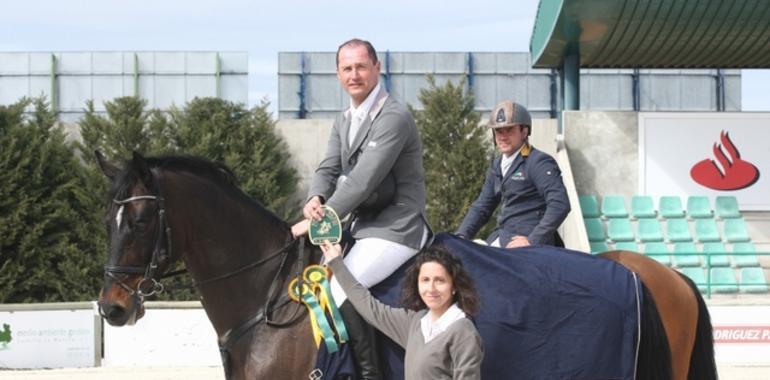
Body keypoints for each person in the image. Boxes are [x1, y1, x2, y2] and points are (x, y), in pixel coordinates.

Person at [291, 38, 429, 379]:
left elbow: (362, 181)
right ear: (338, 74)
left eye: (361, 67)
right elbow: (327, 168)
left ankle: (371, 375)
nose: (355, 75)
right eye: (347, 68)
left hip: (397, 226)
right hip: (363, 225)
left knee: (339, 287)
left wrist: (315, 221)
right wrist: (314, 199)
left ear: (377, 69)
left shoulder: (393, 116)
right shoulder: (344, 119)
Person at [321, 242, 484, 380]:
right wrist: (336, 263)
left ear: (454, 286)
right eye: (425, 280)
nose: (431, 289)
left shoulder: (463, 332)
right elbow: (370, 308)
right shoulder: (415, 322)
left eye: (440, 281)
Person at [456, 101, 570, 248]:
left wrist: (532, 240)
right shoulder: (496, 165)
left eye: (509, 130)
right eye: (498, 131)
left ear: (524, 131)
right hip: (501, 237)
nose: (503, 137)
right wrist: (461, 236)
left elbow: (560, 204)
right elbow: (482, 206)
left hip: (527, 243)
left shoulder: (538, 162)